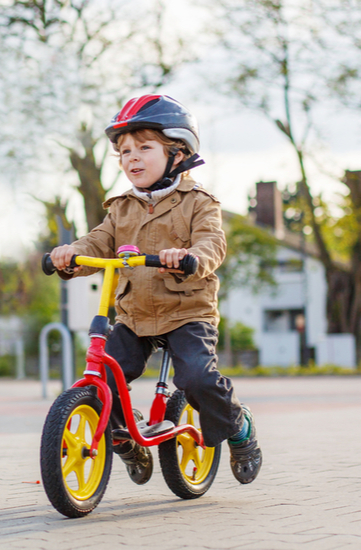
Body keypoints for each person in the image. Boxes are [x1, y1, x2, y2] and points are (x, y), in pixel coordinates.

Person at [49, 94, 262, 485]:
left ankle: (239, 426)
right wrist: (70, 255)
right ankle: (125, 440)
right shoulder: (121, 208)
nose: (132, 157)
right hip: (135, 315)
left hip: (186, 312)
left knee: (197, 378)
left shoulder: (198, 202)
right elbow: (96, 242)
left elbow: (212, 243)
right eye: (124, 151)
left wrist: (191, 258)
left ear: (177, 153)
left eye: (144, 147)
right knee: (104, 375)